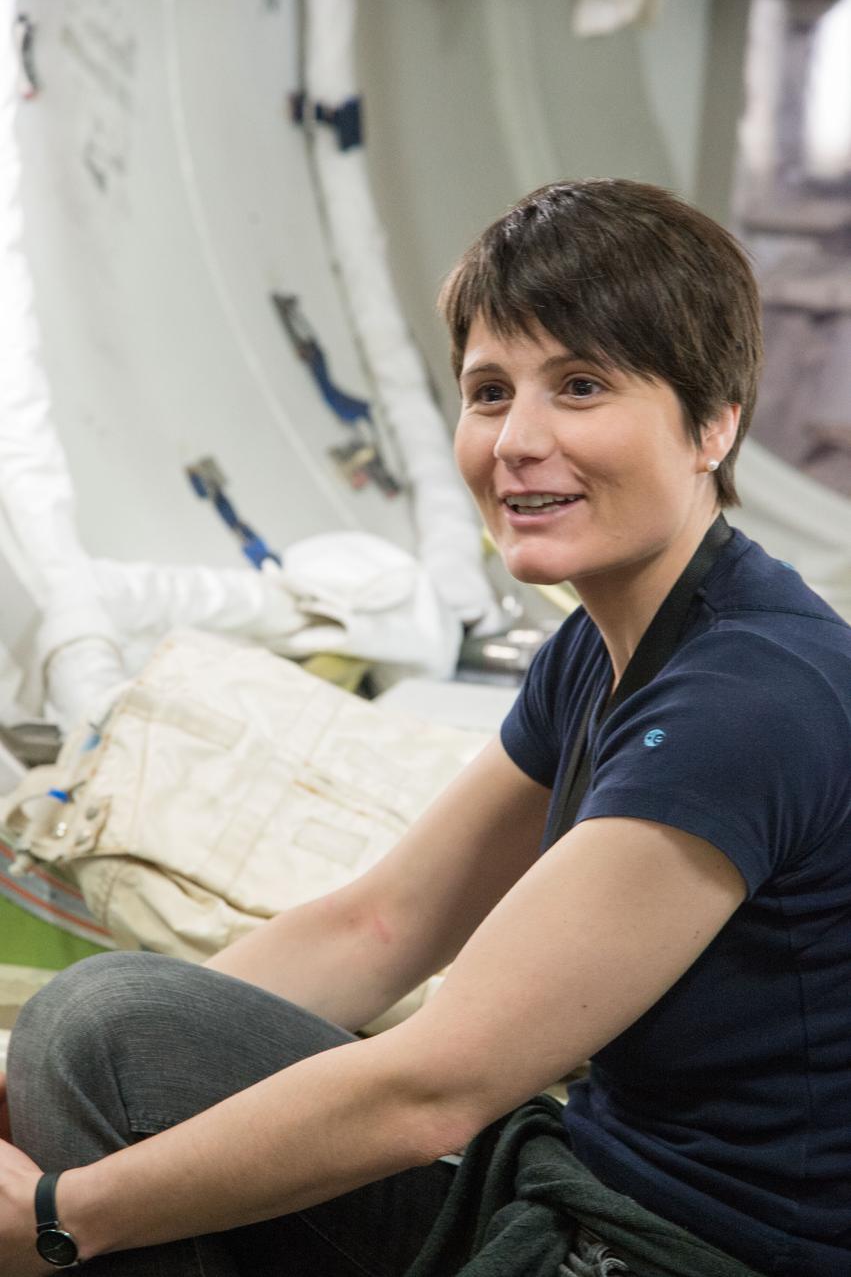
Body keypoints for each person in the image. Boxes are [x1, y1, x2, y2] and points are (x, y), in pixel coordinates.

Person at [1, 178, 849, 1277]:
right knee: (99, 1029)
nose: (517, 440)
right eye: (489, 391)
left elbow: (435, 1088)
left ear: (712, 422)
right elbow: (382, 924)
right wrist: (18, 1093)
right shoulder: (602, 647)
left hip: (680, 1248)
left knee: (116, 1176)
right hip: (585, 1181)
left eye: (581, 386)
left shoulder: (750, 697)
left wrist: (67, 1220)